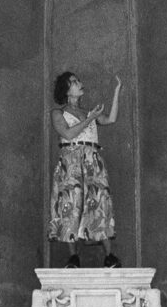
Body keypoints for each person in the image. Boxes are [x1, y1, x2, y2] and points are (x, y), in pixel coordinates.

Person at [47, 71, 122, 267]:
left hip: (92, 160)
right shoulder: (58, 113)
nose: (79, 83)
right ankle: (73, 256)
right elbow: (68, 133)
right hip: (70, 160)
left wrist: (117, 91)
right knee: (71, 203)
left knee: (98, 201)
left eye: (78, 80)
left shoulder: (89, 112)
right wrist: (90, 119)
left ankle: (109, 256)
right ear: (66, 90)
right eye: (74, 82)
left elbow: (110, 119)